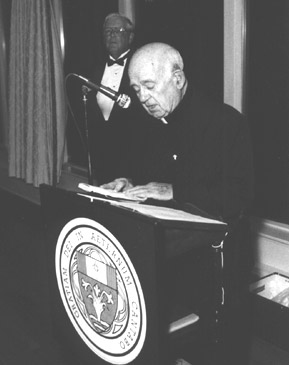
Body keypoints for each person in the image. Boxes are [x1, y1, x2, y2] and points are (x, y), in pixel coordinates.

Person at [101, 42, 254, 364]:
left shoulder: (225, 123)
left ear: (179, 79)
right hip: (164, 255)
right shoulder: (148, 125)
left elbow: (240, 196)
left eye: (149, 86)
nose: (141, 97)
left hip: (214, 262)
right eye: (136, 88)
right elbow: (146, 177)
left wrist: (175, 190)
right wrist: (127, 184)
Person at [85, 13, 148, 185]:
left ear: (130, 37)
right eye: (107, 31)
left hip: (134, 167)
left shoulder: (142, 67)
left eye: (118, 30)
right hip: (102, 165)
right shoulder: (93, 70)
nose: (112, 35)